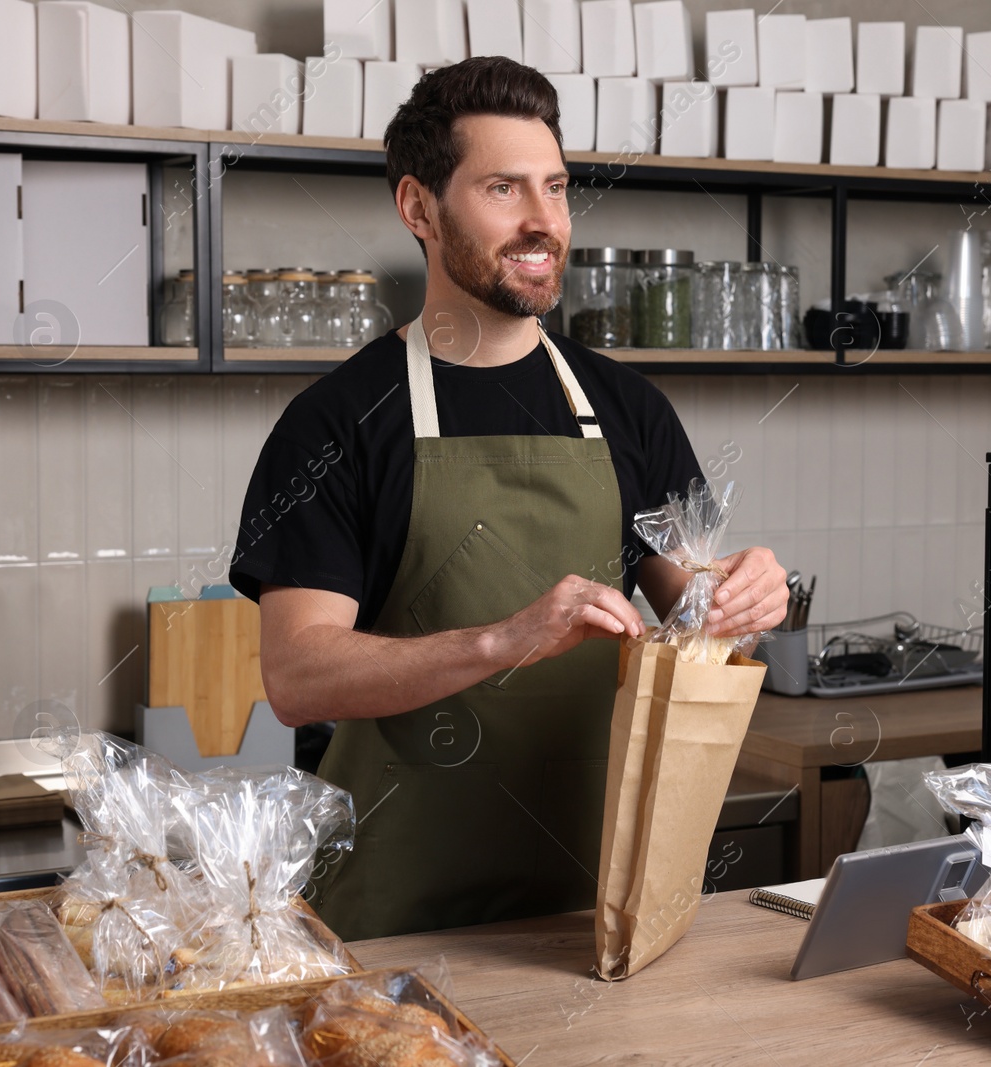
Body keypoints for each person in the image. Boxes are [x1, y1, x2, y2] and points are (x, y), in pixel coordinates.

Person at [229, 56, 788, 941]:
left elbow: (700, 619)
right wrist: (502, 639)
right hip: (398, 923)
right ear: (419, 208)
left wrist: (749, 596)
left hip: (593, 910)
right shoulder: (335, 423)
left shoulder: (627, 408)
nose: (544, 223)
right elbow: (297, 677)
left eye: (557, 189)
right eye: (503, 188)